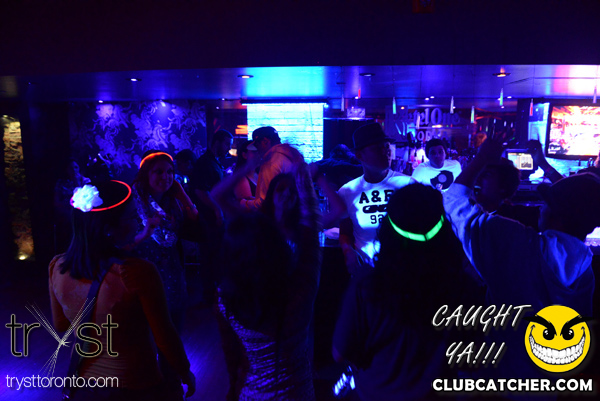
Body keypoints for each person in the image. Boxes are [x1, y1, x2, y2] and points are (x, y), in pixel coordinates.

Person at [444, 133, 600, 384]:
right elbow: (579, 203)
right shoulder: (585, 268)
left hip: (497, 377)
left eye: (546, 203)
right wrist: (544, 165)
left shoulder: (519, 244)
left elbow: (454, 200)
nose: (540, 207)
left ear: (558, 215)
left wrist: (482, 158)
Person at [49, 180, 195, 401]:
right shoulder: (136, 272)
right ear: (109, 229)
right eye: (133, 216)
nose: (138, 222)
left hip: (83, 385)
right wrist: (184, 371)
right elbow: (164, 336)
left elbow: (61, 325)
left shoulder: (57, 266)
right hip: (134, 384)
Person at [333, 184, 466, 400]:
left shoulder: (368, 284)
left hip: (379, 393)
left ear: (388, 228)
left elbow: (340, 352)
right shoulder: (462, 283)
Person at [217, 164, 321, 400]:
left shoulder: (226, 300)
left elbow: (230, 352)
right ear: (279, 250)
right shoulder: (301, 292)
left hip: (253, 394)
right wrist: (304, 179)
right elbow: (312, 229)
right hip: (298, 392)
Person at [130, 151, 198, 399]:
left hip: (172, 275)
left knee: (172, 336)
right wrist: (146, 232)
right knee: (145, 341)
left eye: (170, 172)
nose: (166, 177)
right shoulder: (132, 202)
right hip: (142, 275)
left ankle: (171, 388)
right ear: (145, 175)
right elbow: (120, 245)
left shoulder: (173, 201)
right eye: (158, 171)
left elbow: (196, 220)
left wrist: (181, 192)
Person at [338, 123, 415, 271]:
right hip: (366, 270)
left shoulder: (408, 184)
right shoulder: (347, 191)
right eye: (377, 148)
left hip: (404, 269)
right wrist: (348, 251)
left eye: (386, 147)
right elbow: (345, 233)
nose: (385, 152)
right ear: (359, 155)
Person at [240, 126, 304, 211]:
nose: (257, 150)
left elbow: (266, 201)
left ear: (265, 141)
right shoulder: (290, 156)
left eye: (257, 145)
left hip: (278, 216)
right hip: (295, 212)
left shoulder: (270, 162)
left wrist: (244, 203)